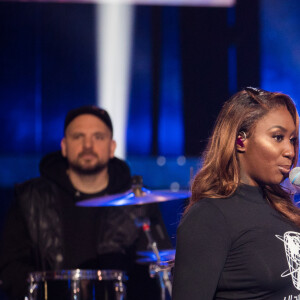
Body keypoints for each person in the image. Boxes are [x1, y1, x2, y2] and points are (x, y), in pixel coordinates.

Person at [0, 105, 172, 300]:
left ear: (112, 147)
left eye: (98, 137)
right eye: (78, 137)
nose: (88, 145)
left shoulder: (139, 202)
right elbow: (11, 267)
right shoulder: (30, 197)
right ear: (64, 146)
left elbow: (157, 265)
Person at [172, 87, 300, 299]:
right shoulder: (210, 216)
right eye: (278, 137)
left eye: (293, 140)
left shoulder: (285, 211)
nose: (290, 151)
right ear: (241, 140)